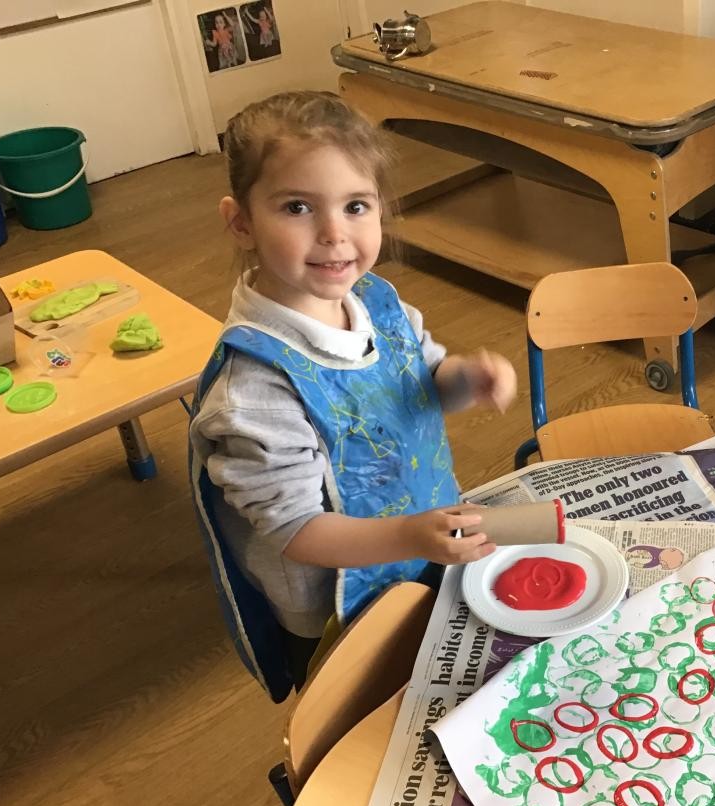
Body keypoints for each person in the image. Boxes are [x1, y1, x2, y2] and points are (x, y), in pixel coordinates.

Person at [189, 91, 517, 700]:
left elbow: (420, 386)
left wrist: (464, 379)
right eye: (297, 207)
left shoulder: (377, 301)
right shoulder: (255, 390)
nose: (334, 234)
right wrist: (410, 536)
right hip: (332, 607)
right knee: (362, 705)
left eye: (356, 205)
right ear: (241, 222)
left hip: (419, 544)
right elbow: (294, 529)